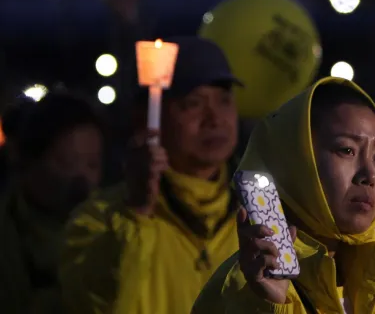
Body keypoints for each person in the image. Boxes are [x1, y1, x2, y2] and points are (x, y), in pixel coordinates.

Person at [59, 37, 242, 314]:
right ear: (147, 118)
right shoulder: (98, 219)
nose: (214, 118)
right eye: (193, 103)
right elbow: (95, 302)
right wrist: (137, 211)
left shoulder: (258, 213)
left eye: (225, 101)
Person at [193, 77, 375, 313]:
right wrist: (270, 306)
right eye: (346, 150)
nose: (369, 175)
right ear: (296, 159)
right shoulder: (239, 290)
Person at [0, 92, 105, 313]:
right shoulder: (9, 237)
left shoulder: (112, 227)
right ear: (30, 163)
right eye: (67, 162)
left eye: (92, 164)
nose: (82, 179)